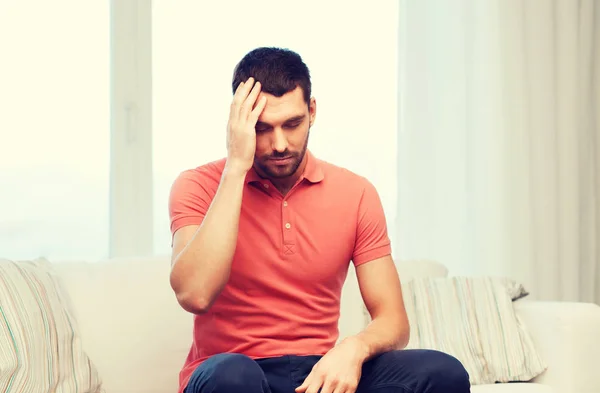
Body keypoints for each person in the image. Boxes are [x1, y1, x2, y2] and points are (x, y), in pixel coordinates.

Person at [168, 47, 470, 393]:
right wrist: (236, 167)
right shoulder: (199, 186)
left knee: (442, 371)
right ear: (239, 122)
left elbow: (393, 320)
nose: (279, 144)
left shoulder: (356, 193)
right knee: (233, 376)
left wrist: (353, 349)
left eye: (292, 124)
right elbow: (195, 295)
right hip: (235, 372)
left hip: (320, 373)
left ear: (312, 111)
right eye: (263, 128)